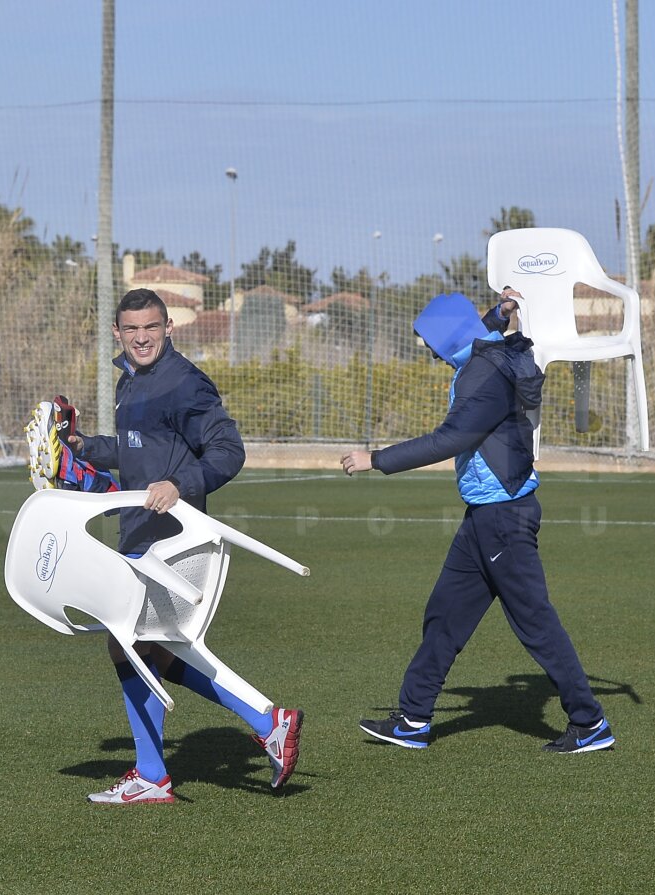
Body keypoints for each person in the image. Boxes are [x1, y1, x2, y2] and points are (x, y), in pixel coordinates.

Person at [340, 288, 615, 754]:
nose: (427, 350)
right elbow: (481, 333)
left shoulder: (480, 375)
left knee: (535, 623)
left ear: (446, 338)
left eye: (429, 341)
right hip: (485, 516)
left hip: (503, 517)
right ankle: (413, 719)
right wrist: (501, 312)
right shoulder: (485, 351)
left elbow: (450, 438)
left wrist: (376, 459)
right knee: (445, 615)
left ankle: (589, 724)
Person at [63, 288, 302, 803]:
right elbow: (135, 451)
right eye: (132, 329)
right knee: (143, 648)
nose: (142, 337)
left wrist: (181, 485)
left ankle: (165, 769)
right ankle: (262, 723)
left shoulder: (185, 383)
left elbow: (228, 450)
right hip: (140, 534)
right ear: (118, 333)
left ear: (169, 327)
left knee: (133, 644)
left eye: (151, 327)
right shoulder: (133, 381)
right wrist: (86, 448)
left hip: (173, 539)